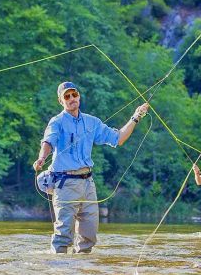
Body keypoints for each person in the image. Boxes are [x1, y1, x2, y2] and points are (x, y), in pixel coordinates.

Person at [33, 81, 149, 254]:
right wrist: (42, 157)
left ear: (79, 96)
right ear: (61, 101)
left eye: (74, 94)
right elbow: (48, 141)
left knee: (89, 236)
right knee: (63, 235)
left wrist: (136, 117)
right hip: (65, 184)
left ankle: (83, 274)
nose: (72, 98)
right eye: (67, 96)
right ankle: (58, 274)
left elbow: (118, 138)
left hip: (88, 184)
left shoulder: (92, 122)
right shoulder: (56, 121)